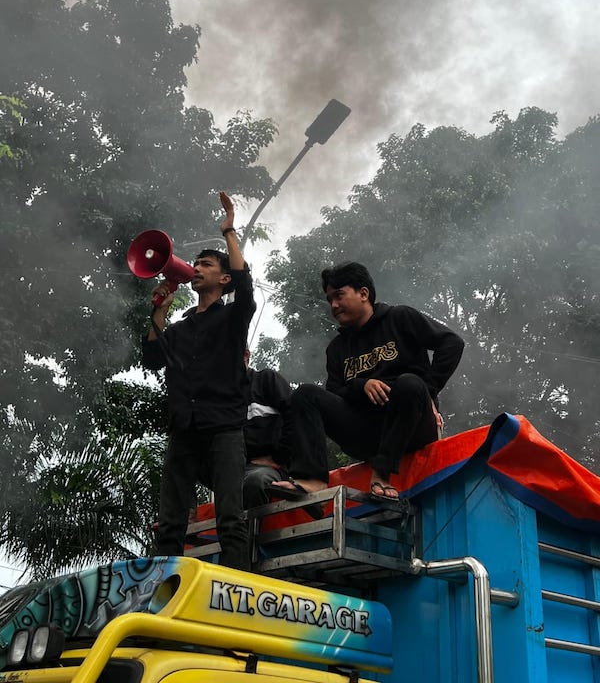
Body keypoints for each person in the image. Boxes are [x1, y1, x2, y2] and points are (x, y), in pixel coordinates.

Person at [271, 261, 464, 501]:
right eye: (330, 299)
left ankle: (382, 474)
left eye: (339, 296)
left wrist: (428, 391)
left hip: (412, 426)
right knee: (306, 394)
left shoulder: (400, 317)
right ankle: (311, 479)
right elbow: (334, 391)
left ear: (363, 293)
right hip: (367, 433)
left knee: (409, 383)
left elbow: (452, 343)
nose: (334, 305)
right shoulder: (337, 348)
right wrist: (362, 385)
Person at [142, 191, 255, 570]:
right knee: (171, 521)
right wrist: (159, 311)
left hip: (224, 425)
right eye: (195, 263)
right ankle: (161, 590)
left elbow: (245, 283)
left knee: (229, 516)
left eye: (204, 265)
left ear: (223, 279)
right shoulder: (182, 326)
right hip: (184, 427)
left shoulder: (233, 316)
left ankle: (236, 583)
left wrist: (229, 232)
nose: (195, 268)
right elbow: (153, 357)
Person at [243, 349, 324, 519]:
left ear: (245, 355)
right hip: (236, 468)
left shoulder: (266, 380)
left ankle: (250, 544)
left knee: (255, 481)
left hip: (271, 467)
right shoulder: (222, 399)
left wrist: (278, 458)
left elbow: (294, 418)